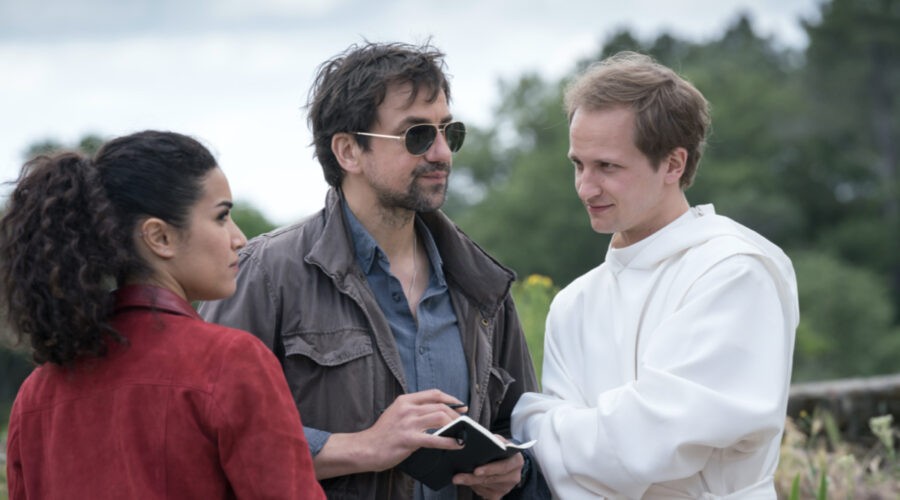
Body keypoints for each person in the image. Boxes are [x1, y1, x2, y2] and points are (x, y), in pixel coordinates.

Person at [199, 41, 544, 500]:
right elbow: (206, 437)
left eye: (449, 131)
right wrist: (360, 448)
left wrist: (513, 471)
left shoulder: (480, 283)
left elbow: (519, 430)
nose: (442, 152)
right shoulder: (263, 275)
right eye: (417, 135)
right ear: (348, 151)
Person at [511, 52, 800, 499]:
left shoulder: (733, 272)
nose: (586, 187)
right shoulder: (574, 302)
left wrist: (541, 424)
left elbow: (648, 445)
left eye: (607, 166)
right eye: (578, 165)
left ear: (673, 164)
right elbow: (570, 470)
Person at [1, 131, 325, 499]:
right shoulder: (230, 361)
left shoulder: (37, 394)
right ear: (159, 237)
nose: (239, 239)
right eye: (221, 217)